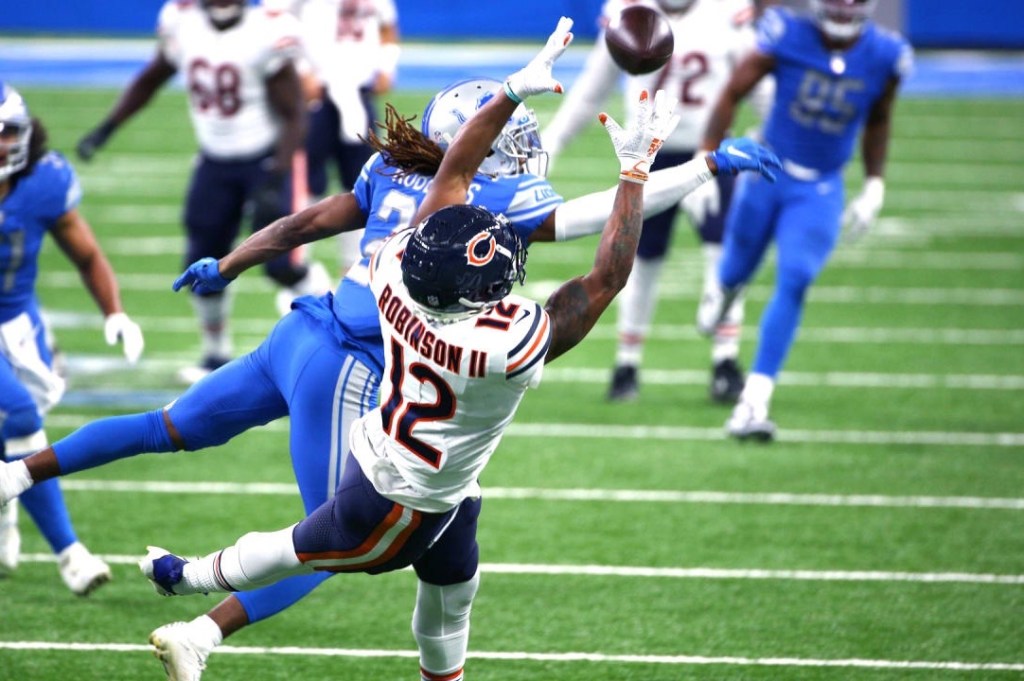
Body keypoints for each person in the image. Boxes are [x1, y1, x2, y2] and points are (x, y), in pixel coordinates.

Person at [0, 30, 777, 681]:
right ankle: (201, 630)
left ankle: (16, 473)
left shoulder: (396, 217)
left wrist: (230, 264)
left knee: (167, 425)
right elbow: (600, 244)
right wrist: (695, 167)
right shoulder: (499, 282)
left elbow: (310, 222)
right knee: (323, 541)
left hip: (301, 329)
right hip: (348, 370)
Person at [74, 0, 327, 382]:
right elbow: (151, 79)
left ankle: (332, 326)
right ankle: (215, 354)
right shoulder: (182, 23)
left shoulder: (266, 29)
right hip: (214, 161)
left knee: (282, 266)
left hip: (267, 158)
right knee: (202, 262)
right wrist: (107, 127)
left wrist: (275, 177)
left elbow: (296, 114)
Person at [699, 0, 912, 440]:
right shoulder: (787, 34)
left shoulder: (886, 54)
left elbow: (879, 118)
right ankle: (721, 291)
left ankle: (753, 400)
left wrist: (874, 183)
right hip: (766, 170)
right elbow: (733, 91)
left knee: (795, 277)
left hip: (820, 187)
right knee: (735, 270)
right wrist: (706, 161)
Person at [542, 0, 773, 403]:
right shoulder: (629, 9)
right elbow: (593, 88)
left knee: (724, 257)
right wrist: (554, 140)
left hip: (713, 151)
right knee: (637, 260)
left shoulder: (728, 9)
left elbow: (759, 84)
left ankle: (725, 360)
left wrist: (768, 132)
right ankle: (627, 364)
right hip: (646, 156)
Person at [0, 82, 144, 595]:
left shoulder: (44, 179)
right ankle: (69, 553)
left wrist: (115, 312)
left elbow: (85, 254)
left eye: (7, 132)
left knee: (20, 423)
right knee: (19, 414)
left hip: (18, 319)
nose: (0, 144)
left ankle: (8, 512)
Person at [271, 0, 401, 279]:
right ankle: (295, 267)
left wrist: (387, 67)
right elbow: (277, 20)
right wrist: (300, 70)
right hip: (318, 96)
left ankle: (353, 269)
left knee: (362, 185)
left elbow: (388, 27)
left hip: (359, 95)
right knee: (306, 184)